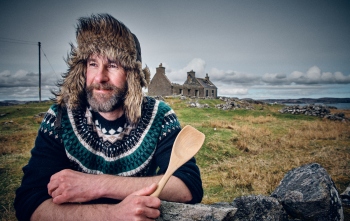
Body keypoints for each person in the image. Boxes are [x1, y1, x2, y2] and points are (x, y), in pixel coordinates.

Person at [14, 14, 203, 221]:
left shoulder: (159, 117)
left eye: (112, 65)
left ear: (132, 74)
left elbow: (188, 187)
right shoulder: (60, 118)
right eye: (93, 63)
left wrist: (98, 185)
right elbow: (30, 204)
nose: (100, 77)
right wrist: (112, 215)